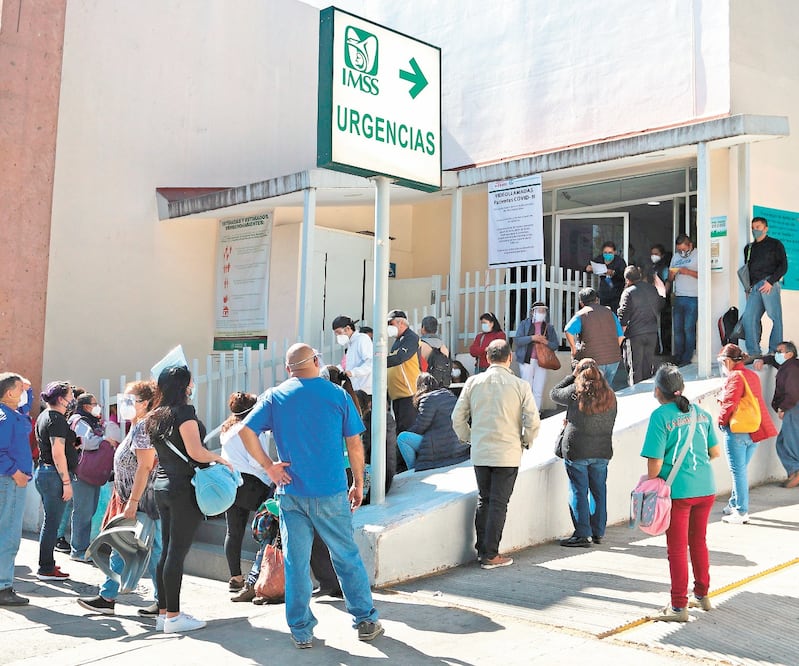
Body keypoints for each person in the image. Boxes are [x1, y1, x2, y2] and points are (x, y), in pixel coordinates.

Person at [237, 343, 383, 649]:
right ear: (316, 361)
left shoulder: (275, 396)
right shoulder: (338, 395)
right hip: (331, 491)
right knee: (346, 556)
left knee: (296, 562)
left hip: (290, 492)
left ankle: (301, 630)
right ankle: (365, 620)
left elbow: (245, 432)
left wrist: (269, 467)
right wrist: (358, 482)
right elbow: (355, 445)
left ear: (288, 369)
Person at [146, 365, 234, 634]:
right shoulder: (184, 413)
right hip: (183, 488)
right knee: (177, 552)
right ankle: (173, 616)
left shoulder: (155, 415)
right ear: (184, 385)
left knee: (168, 551)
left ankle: (163, 612)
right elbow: (196, 451)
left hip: (161, 485)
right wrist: (219, 458)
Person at [641, 365, 720, 622]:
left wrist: (652, 484)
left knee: (676, 548)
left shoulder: (660, 416)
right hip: (706, 487)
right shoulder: (701, 413)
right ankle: (702, 595)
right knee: (698, 542)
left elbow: (653, 464)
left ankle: (678, 607)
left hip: (678, 492)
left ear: (657, 391)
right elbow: (715, 453)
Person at [77, 380, 163, 616]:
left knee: (152, 550)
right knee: (122, 547)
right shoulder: (137, 425)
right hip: (130, 499)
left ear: (145, 403)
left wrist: (133, 503)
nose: (123, 404)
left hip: (143, 501)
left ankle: (162, 601)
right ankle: (109, 596)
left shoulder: (145, 427)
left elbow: (145, 466)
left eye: (129, 400)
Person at [452, 340, 540, 570]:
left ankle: (482, 549)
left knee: (485, 499)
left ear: (488, 358)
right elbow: (532, 421)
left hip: (481, 451)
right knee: (499, 503)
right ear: (509, 358)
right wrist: (525, 441)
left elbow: (457, 418)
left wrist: (470, 438)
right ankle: (491, 554)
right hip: (508, 451)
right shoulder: (520, 385)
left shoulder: (473, 382)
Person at [550, 358, 616, 547]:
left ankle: (581, 534)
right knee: (599, 491)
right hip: (602, 449)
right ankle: (598, 532)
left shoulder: (575, 391)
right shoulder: (610, 394)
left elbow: (554, 394)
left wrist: (571, 376)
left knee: (578, 490)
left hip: (577, 448)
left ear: (578, 372)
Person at [716, 344, 776, 524]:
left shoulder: (735, 377)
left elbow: (729, 403)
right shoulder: (751, 375)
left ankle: (741, 512)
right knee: (741, 471)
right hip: (754, 430)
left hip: (737, 431)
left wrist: (721, 422)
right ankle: (733, 504)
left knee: (738, 472)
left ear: (727, 361)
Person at [219, 392, 272, 596]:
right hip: (252, 484)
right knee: (271, 524)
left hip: (231, 483)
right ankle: (262, 573)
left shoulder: (228, 429)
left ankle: (235, 577)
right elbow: (257, 462)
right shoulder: (251, 429)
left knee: (233, 532)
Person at [34, 381, 79, 581]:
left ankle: (47, 563)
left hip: (45, 473)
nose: (73, 400)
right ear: (61, 399)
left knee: (49, 522)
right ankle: (46, 568)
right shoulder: (56, 419)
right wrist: (67, 482)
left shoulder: (45, 416)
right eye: (70, 395)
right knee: (52, 523)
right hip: (54, 475)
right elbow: (57, 452)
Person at [0, 373, 34, 605]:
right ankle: (3, 586)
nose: (23, 394)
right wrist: (15, 472)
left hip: (12, 480)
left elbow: (25, 410)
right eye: (20, 390)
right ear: (10, 393)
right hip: (10, 481)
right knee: (9, 534)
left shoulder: (12, 414)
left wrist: (28, 390)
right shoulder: (5, 417)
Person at [396, 373, 470, 472]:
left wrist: (409, 431)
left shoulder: (426, 399)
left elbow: (421, 426)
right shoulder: (448, 394)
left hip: (441, 447)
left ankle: (412, 470)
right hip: (459, 446)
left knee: (403, 438)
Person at [67, 393, 108, 562]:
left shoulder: (90, 421)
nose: (97, 406)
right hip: (82, 472)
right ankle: (78, 549)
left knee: (88, 510)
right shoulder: (79, 421)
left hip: (92, 472)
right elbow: (84, 442)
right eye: (94, 403)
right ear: (85, 406)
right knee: (82, 512)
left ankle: (82, 546)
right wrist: (105, 439)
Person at [741, 216, 788, 356]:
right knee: (748, 318)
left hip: (769, 284)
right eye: (753, 228)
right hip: (754, 287)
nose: (755, 230)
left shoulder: (775, 244)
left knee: (775, 317)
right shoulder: (749, 248)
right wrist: (747, 288)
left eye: (758, 227)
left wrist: (771, 281)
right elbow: (747, 269)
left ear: (765, 228)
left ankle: (774, 351)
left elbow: (783, 266)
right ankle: (754, 352)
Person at [755, 342, 799, 487]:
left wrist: (783, 408)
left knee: (789, 441)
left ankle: (796, 471)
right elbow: (774, 360)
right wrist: (764, 360)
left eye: (780, 351)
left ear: (789, 354)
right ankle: (793, 472)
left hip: (792, 407)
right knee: (784, 441)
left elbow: (793, 393)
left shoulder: (791, 368)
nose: (777, 354)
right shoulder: (788, 366)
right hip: (792, 407)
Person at [564, 287, 624, 384]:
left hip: (593, 361)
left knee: (594, 392)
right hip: (613, 359)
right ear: (597, 300)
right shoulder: (610, 313)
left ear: (581, 303)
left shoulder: (581, 314)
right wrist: (613, 348)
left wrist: (573, 349)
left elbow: (568, 330)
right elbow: (620, 336)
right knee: (607, 389)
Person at [617, 266, 665, 385]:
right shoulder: (652, 289)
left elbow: (623, 317)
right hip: (652, 333)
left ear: (627, 279)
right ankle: (646, 394)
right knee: (648, 366)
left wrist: (620, 337)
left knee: (635, 368)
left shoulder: (628, 292)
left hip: (635, 335)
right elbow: (661, 303)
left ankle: (636, 395)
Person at [513, 302, 560, 410]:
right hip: (526, 360)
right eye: (539, 310)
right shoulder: (524, 324)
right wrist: (532, 338)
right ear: (533, 312)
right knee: (526, 388)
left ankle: (536, 413)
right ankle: (526, 412)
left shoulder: (549, 328)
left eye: (543, 311)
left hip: (542, 361)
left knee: (538, 389)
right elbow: (517, 340)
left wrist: (545, 342)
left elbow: (555, 345)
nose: (541, 313)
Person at [386, 309, 422, 434]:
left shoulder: (411, 338)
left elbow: (400, 358)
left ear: (401, 322)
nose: (388, 327)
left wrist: (379, 362)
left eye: (391, 324)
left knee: (408, 431)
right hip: (398, 395)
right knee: (400, 431)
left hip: (409, 394)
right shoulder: (397, 341)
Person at [668, 235, 699, 366]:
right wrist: (672, 274)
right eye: (679, 249)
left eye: (684, 249)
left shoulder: (698, 255)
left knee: (688, 328)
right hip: (679, 296)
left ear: (690, 245)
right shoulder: (676, 257)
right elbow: (670, 278)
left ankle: (687, 357)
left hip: (693, 297)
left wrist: (688, 272)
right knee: (678, 329)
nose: (681, 252)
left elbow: (705, 275)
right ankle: (678, 356)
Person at [332, 315, 373, 394]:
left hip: (366, 391)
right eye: (336, 334)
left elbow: (371, 363)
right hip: (355, 389)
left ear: (348, 328)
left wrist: (352, 372)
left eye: (339, 332)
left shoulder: (362, 339)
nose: (338, 336)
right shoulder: (350, 344)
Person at [644, 244, 672, 355]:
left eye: (656, 254)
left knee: (663, 327)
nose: (653, 256)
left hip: (662, 302)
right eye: (652, 254)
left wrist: (663, 296)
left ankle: (665, 351)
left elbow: (667, 283)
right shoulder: (651, 268)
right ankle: (655, 350)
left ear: (662, 255)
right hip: (651, 301)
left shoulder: (664, 268)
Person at [585, 241, 626, 312]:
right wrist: (589, 268)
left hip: (617, 295)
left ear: (614, 252)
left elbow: (623, 275)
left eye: (610, 252)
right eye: (605, 253)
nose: (607, 254)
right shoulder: (600, 259)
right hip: (604, 294)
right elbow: (589, 267)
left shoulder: (620, 262)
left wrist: (613, 273)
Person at [419, 315, 452, 388]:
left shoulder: (420, 345)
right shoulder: (444, 347)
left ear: (423, 328)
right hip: (441, 385)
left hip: (424, 385)